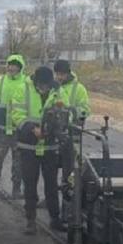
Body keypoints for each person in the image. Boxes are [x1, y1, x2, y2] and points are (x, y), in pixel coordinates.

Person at [11, 65, 66, 235]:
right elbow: (17, 115)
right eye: (42, 85)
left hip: (50, 147)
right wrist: (31, 129)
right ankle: (31, 220)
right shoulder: (23, 90)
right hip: (29, 146)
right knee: (30, 184)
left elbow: (65, 112)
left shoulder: (58, 92)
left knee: (51, 185)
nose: (44, 88)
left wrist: (60, 125)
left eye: (47, 85)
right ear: (36, 82)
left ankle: (55, 218)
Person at [53, 59, 91, 220]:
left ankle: (67, 209)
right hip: (55, 134)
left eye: (63, 74)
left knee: (70, 173)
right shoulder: (52, 87)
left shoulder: (78, 88)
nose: (60, 77)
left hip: (72, 135)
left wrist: (73, 116)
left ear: (68, 74)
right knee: (51, 169)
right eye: (58, 74)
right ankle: (51, 200)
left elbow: (85, 109)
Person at [0, 54, 27, 199]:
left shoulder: (26, 83)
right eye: (10, 64)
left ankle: (16, 188)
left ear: (20, 67)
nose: (12, 67)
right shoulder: (0, 81)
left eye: (15, 65)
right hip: (1, 128)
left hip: (19, 130)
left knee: (19, 161)